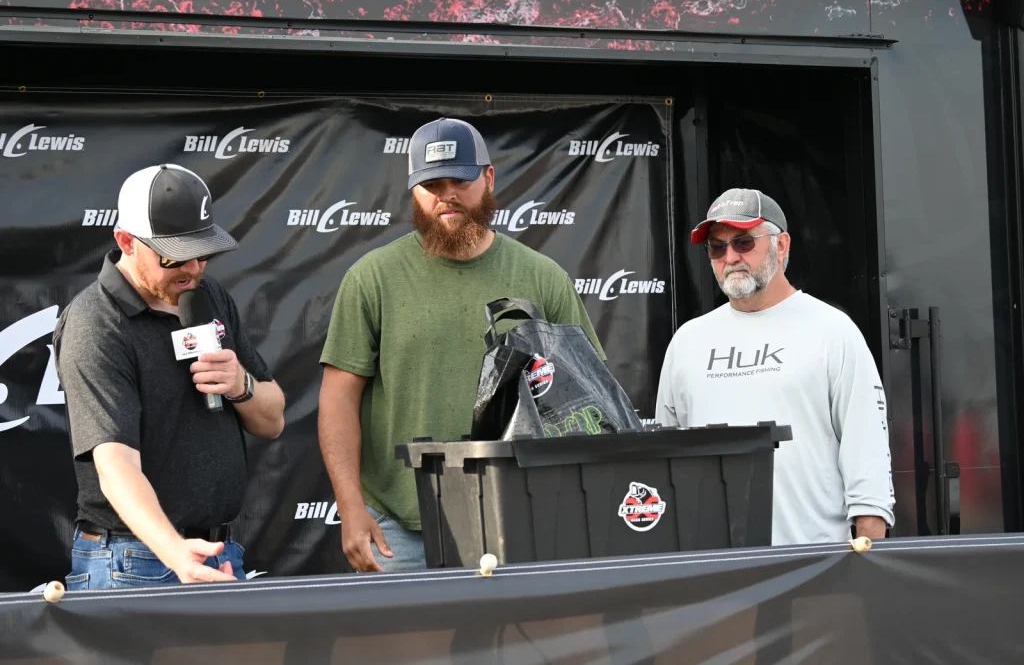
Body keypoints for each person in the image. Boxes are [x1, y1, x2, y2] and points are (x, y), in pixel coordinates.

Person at [318, 117, 605, 572]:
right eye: (432, 184)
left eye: (460, 181)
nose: (446, 195)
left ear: (489, 178)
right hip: (399, 531)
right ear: (414, 191)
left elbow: (590, 399)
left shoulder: (542, 277)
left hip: (522, 518)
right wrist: (351, 508)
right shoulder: (372, 278)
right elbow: (338, 400)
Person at [53, 163, 286, 589]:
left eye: (204, 252)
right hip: (134, 560)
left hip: (217, 550)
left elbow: (273, 420)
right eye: (174, 256)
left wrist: (241, 385)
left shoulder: (207, 295)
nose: (193, 268)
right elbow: (116, 466)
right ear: (126, 241)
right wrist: (173, 551)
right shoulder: (96, 323)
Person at [655, 188, 895, 545]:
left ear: (781, 246)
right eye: (717, 248)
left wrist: (868, 553)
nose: (730, 257)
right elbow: (666, 464)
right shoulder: (686, 342)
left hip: (813, 562)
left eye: (743, 242)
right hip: (711, 564)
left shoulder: (832, 330)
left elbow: (867, 452)